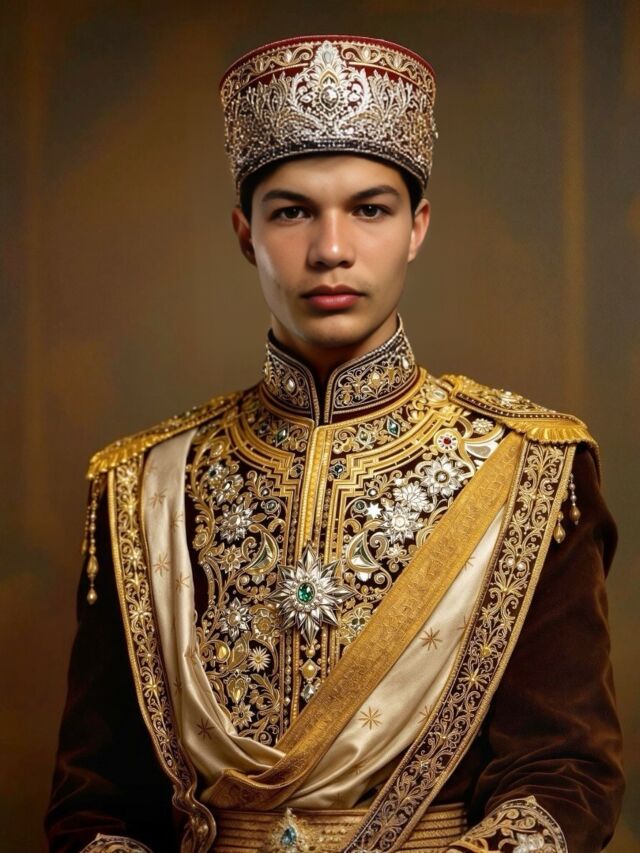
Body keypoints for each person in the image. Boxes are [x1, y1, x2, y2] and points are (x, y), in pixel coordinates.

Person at [46, 35, 624, 853]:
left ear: (418, 226)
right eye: (292, 212)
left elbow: (565, 775)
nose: (331, 250)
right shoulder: (144, 484)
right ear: (245, 232)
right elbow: (96, 803)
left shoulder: (530, 468)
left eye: (370, 209)